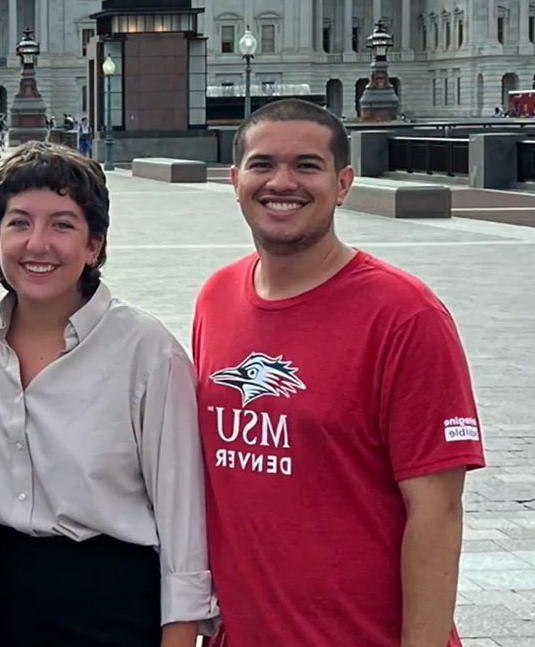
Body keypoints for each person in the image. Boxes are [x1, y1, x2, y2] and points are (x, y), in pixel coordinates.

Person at [194, 99, 485, 647]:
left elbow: (438, 511)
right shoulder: (216, 297)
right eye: (262, 165)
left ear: (344, 182)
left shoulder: (405, 315)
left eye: (306, 165)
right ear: (234, 181)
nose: (282, 182)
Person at [0, 141, 215, 647]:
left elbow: (184, 521)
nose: (38, 244)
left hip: (114, 605)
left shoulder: (146, 351)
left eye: (62, 224)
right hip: (9, 598)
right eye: (18, 223)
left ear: (93, 245)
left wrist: (180, 636)